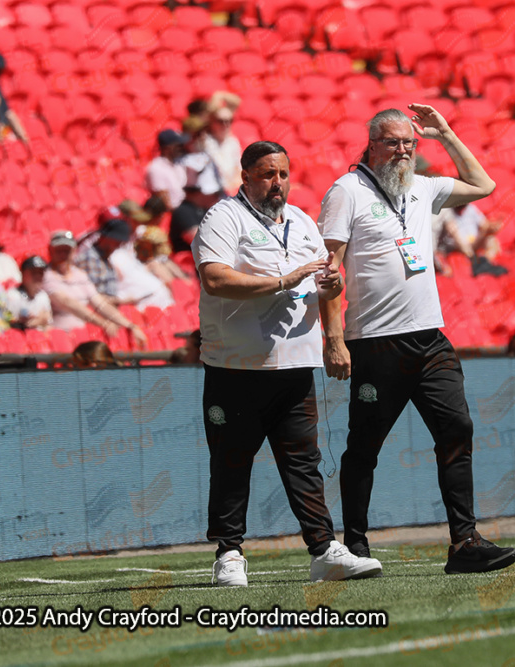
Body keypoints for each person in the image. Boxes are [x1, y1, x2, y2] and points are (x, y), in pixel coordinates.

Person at [317, 104, 515, 574]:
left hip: (430, 339)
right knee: (365, 446)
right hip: (375, 341)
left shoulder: (422, 187)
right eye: (393, 142)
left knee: (458, 429)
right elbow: (329, 273)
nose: (403, 151)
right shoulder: (346, 191)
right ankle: (355, 544)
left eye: (410, 143)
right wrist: (333, 338)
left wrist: (446, 133)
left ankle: (464, 541)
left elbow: (485, 186)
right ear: (371, 144)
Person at [193, 140, 381, 586]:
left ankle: (323, 549)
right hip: (235, 366)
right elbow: (215, 279)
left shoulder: (301, 222)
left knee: (304, 462)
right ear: (245, 177)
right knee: (232, 460)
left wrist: (333, 322)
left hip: (296, 365)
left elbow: (325, 286)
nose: (277, 183)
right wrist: (282, 280)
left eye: (282, 174)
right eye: (266, 174)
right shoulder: (224, 217)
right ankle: (229, 553)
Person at [42, 229, 148, 346]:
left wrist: (129, 325)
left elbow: (99, 304)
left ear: (73, 251)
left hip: (83, 335)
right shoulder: (45, 276)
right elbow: (69, 304)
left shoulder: (80, 275)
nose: (63, 255)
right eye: (58, 251)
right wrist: (103, 323)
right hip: (60, 337)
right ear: (50, 251)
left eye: (66, 251)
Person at [171, 157, 224, 253]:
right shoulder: (183, 211)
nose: (217, 197)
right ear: (197, 192)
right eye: (214, 193)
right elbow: (201, 243)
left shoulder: (209, 209)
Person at [204, 91, 243, 195]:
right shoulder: (205, 141)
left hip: (231, 190)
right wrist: (218, 96)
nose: (225, 125)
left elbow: (238, 169)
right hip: (212, 192)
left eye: (229, 121)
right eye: (221, 121)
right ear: (212, 121)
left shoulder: (233, 142)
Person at [144, 129, 188, 210]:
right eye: (178, 146)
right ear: (167, 148)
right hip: (171, 214)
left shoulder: (179, 164)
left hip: (185, 207)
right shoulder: (156, 168)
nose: (182, 148)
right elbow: (166, 203)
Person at [7, 255, 52, 331]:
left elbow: (48, 323)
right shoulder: (12, 295)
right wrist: (39, 320)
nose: (38, 276)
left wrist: (38, 320)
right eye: (33, 272)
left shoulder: (43, 296)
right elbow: (10, 324)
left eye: (41, 273)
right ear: (23, 274)